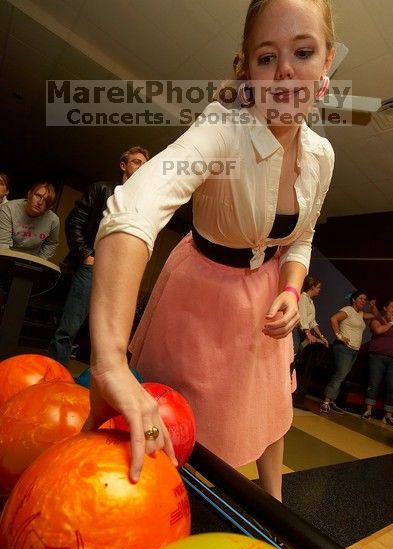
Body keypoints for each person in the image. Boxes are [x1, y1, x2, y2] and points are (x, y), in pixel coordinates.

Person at [83, 0, 337, 501]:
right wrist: (109, 361)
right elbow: (134, 206)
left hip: (266, 299)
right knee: (170, 431)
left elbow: (301, 236)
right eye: (267, 57)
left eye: (303, 51)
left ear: (327, 65)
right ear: (248, 71)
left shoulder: (322, 155)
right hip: (201, 295)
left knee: (270, 406)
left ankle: (273, 509)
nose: (285, 69)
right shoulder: (222, 130)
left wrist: (289, 285)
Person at [47, 146, 149, 365]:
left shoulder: (142, 202)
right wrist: (85, 255)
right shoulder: (101, 189)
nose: (142, 167)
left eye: (144, 164)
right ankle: (52, 378)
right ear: (123, 165)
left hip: (118, 273)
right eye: (137, 162)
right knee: (69, 327)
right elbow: (74, 222)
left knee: (107, 334)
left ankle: (91, 385)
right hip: (91, 265)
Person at [321, 291, 377, 414]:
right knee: (340, 374)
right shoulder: (348, 310)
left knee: (343, 375)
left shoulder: (361, 314)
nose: (363, 301)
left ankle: (331, 401)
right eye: (361, 298)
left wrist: (372, 305)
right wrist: (339, 335)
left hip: (354, 350)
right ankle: (326, 402)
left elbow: (375, 316)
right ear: (353, 300)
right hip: (343, 348)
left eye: (365, 299)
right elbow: (333, 318)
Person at [362, 300, 393, 426]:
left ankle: (388, 415)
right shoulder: (378, 319)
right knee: (374, 383)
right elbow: (378, 330)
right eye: (392, 306)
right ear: (385, 308)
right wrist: (390, 323)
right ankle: (368, 411)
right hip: (377, 356)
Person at [0, 182, 59, 260]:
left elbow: (51, 243)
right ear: (29, 194)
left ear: (50, 206)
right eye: (38, 196)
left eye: (46, 200)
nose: (40, 202)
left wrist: (40, 261)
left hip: (32, 260)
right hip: (8, 256)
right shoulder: (8, 209)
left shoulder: (53, 221)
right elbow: (3, 244)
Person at [293, 275, 328, 355]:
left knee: (298, 355)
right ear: (312, 287)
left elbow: (312, 322)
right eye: (318, 287)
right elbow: (303, 318)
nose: (320, 290)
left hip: (303, 333)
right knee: (293, 355)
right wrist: (308, 334)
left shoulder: (310, 301)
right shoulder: (303, 298)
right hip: (296, 332)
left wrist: (321, 337)